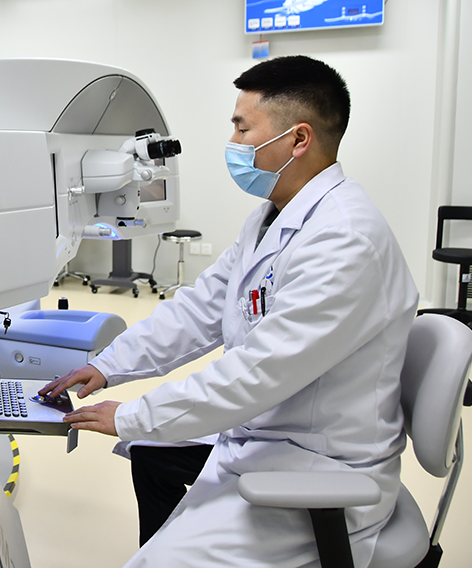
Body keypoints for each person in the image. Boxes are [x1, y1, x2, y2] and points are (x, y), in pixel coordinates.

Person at [41, 55, 419, 568]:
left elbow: (256, 374)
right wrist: (109, 366)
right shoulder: (271, 218)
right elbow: (199, 309)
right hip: (269, 429)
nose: (233, 142)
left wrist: (131, 415)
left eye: (243, 128)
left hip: (318, 465)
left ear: (298, 139)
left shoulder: (345, 240)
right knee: (151, 455)